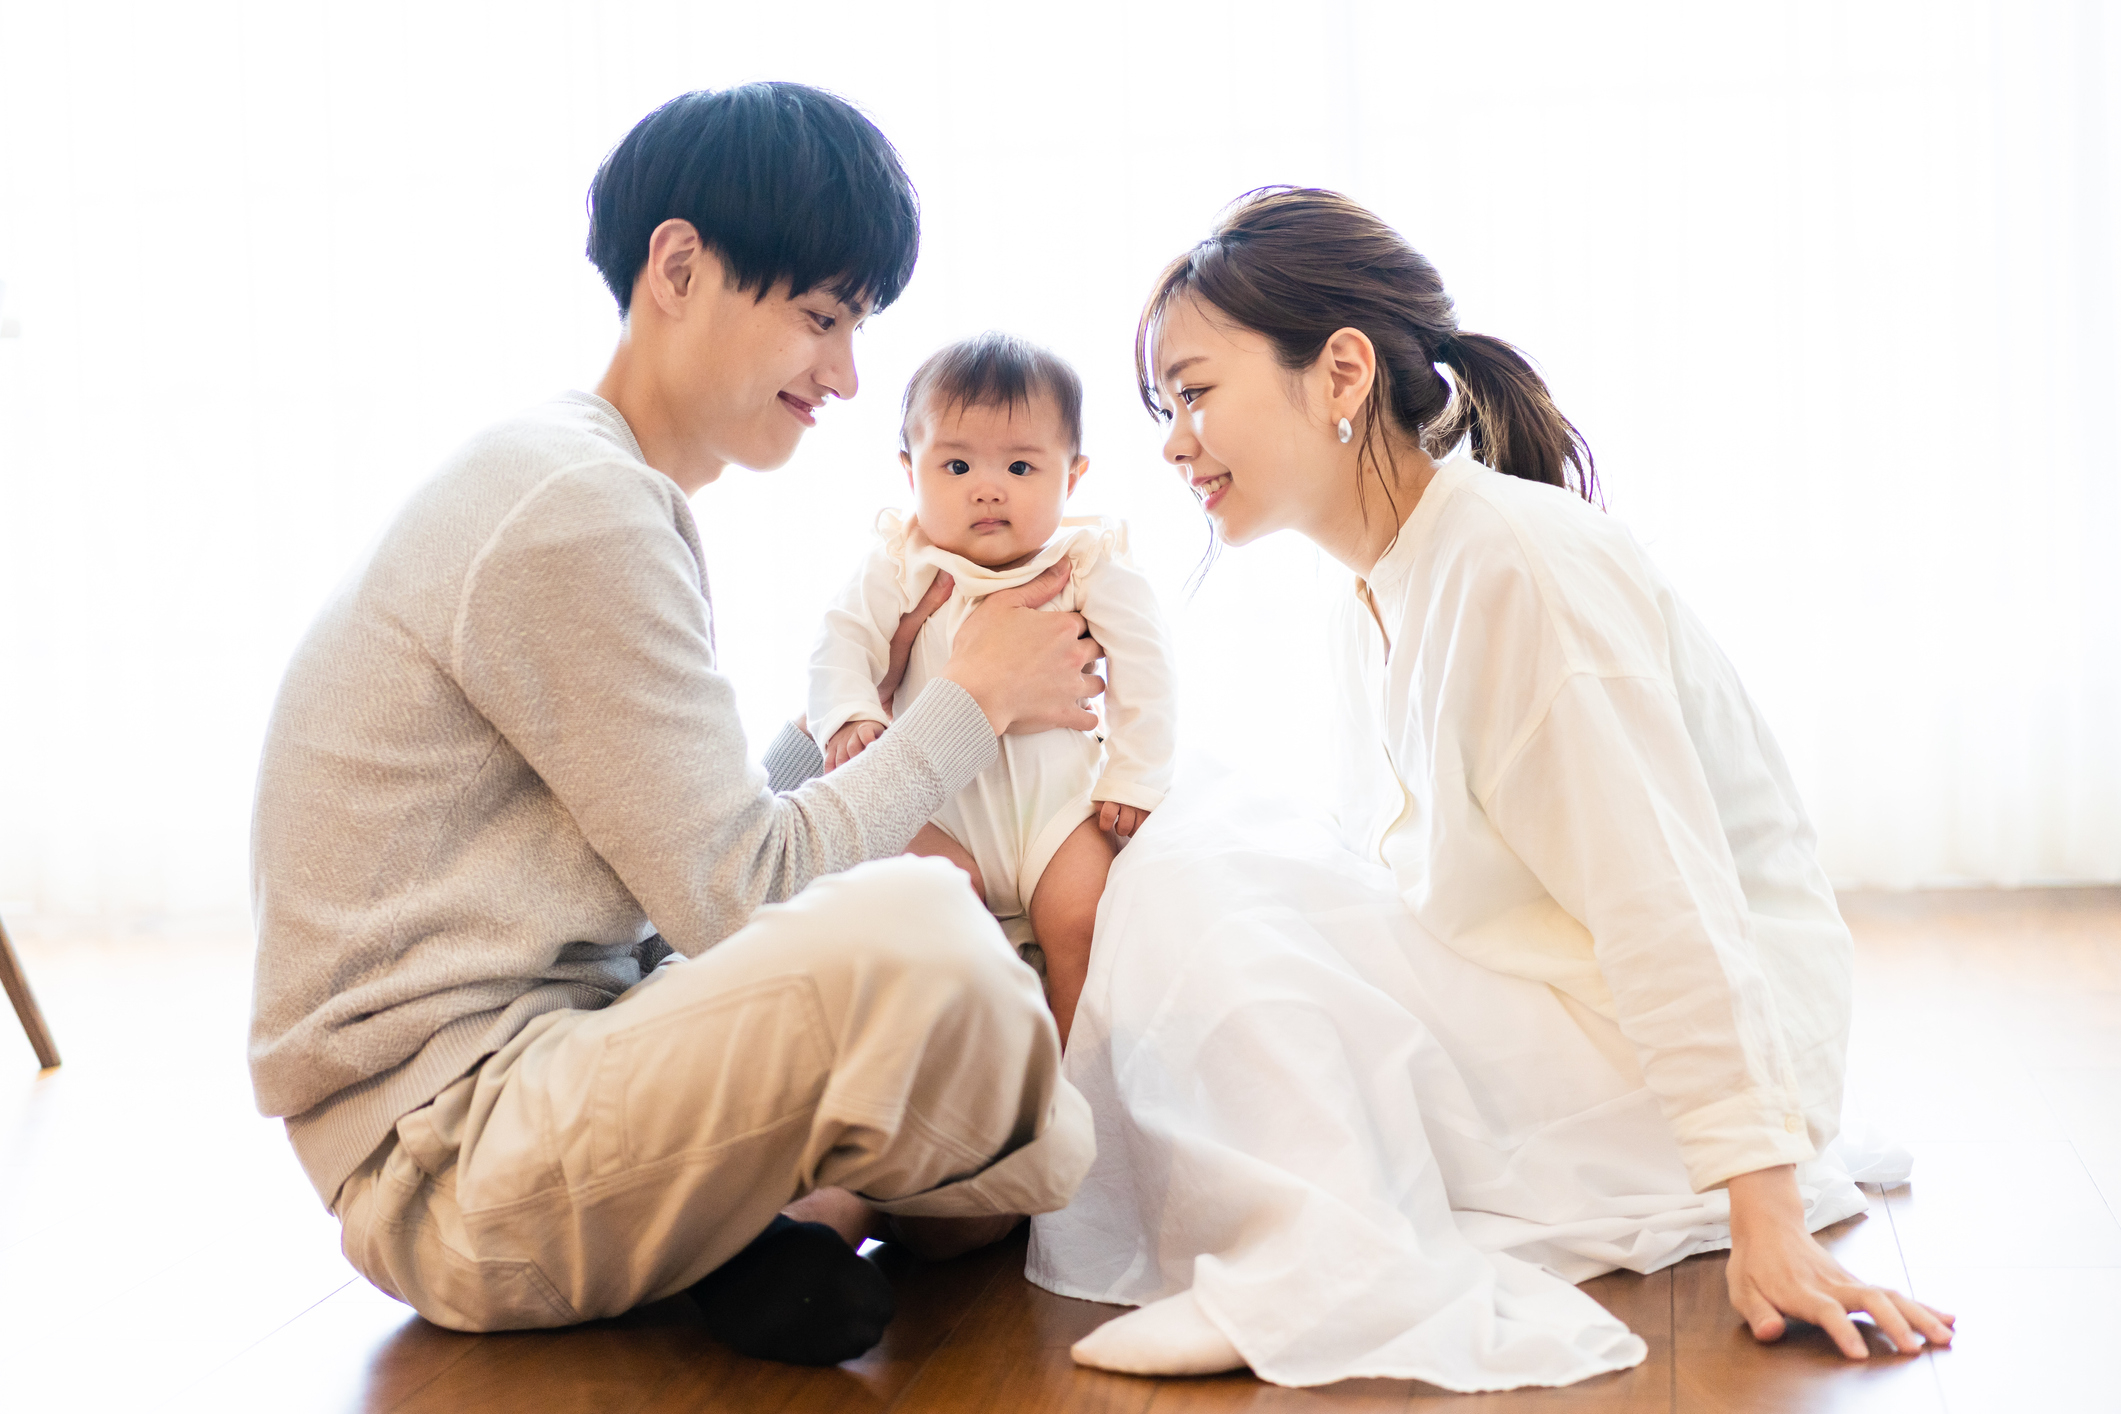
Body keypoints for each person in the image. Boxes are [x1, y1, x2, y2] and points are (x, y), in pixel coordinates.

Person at [1037, 187, 1957, 1389]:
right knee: (1196, 840)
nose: (1171, 441)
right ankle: (1309, 1237)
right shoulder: (1381, 590)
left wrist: (1765, 1209)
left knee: (1195, 863)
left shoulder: (1513, 559)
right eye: (1166, 408)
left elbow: (1662, 894)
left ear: (1342, 372)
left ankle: (1325, 1263)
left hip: (1650, 1077)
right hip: (1561, 1021)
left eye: (1196, 392)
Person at [245, 84, 1102, 1367]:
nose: (846, 375)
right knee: (933, 933)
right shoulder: (573, 505)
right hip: (453, 1156)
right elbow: (732, 889)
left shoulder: (582, 477)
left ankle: (799, 1225)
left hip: (543, 1069)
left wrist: (898, 712)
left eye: (858, 326)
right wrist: (968, 704)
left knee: (947, 881)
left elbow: (689, 857)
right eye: (821, 317)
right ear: (682, 267)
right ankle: (968, 1190)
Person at [808, 332, 1176, 1043]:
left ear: (1072, 477)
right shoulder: (899, 563)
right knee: (938, 908)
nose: (987, 486)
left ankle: (1077, 1074)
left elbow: (1146, 668)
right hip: (938, 810)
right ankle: (995, 1059)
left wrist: (1134, 775)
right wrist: (848, 715)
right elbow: (840, 639)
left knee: (1080, 919)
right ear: (908, 469)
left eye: (1018, 465)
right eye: (955, 463)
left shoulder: (1086, 563)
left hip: (1058, 809)